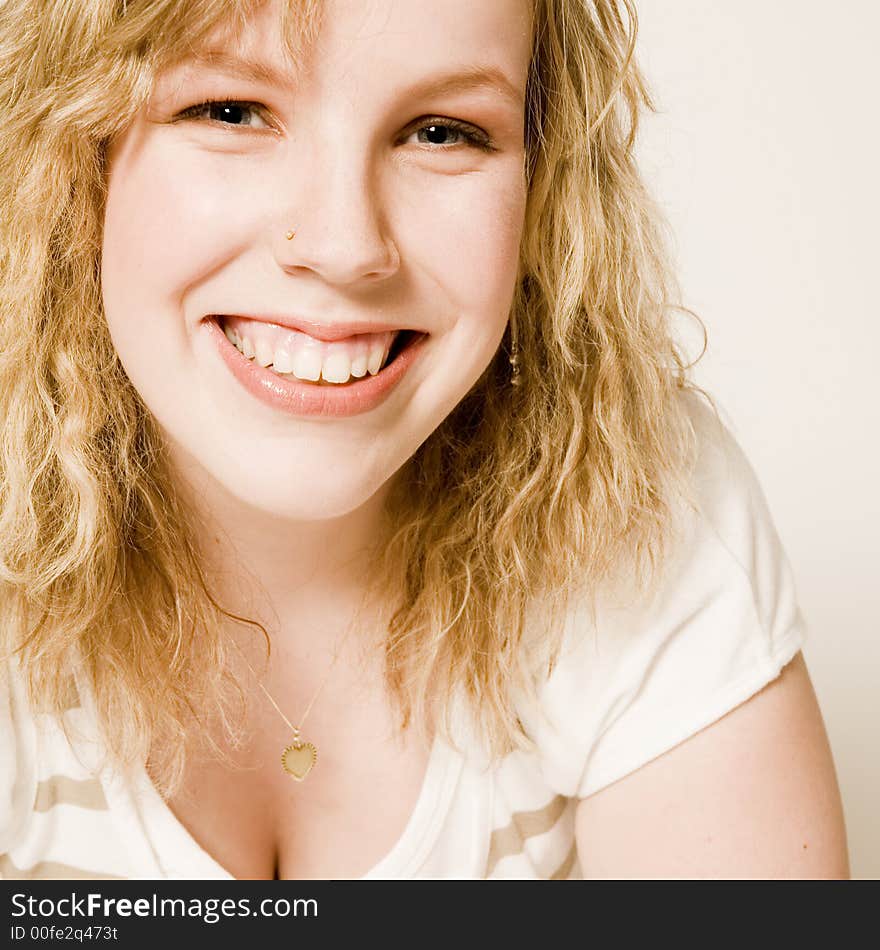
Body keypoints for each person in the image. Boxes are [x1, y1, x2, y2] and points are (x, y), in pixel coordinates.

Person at [0, 0, 849, 880]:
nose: (343, 245)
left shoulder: (639, 496)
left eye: (442, 132)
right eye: (230, 111)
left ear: (543, 180)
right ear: (68, 151)